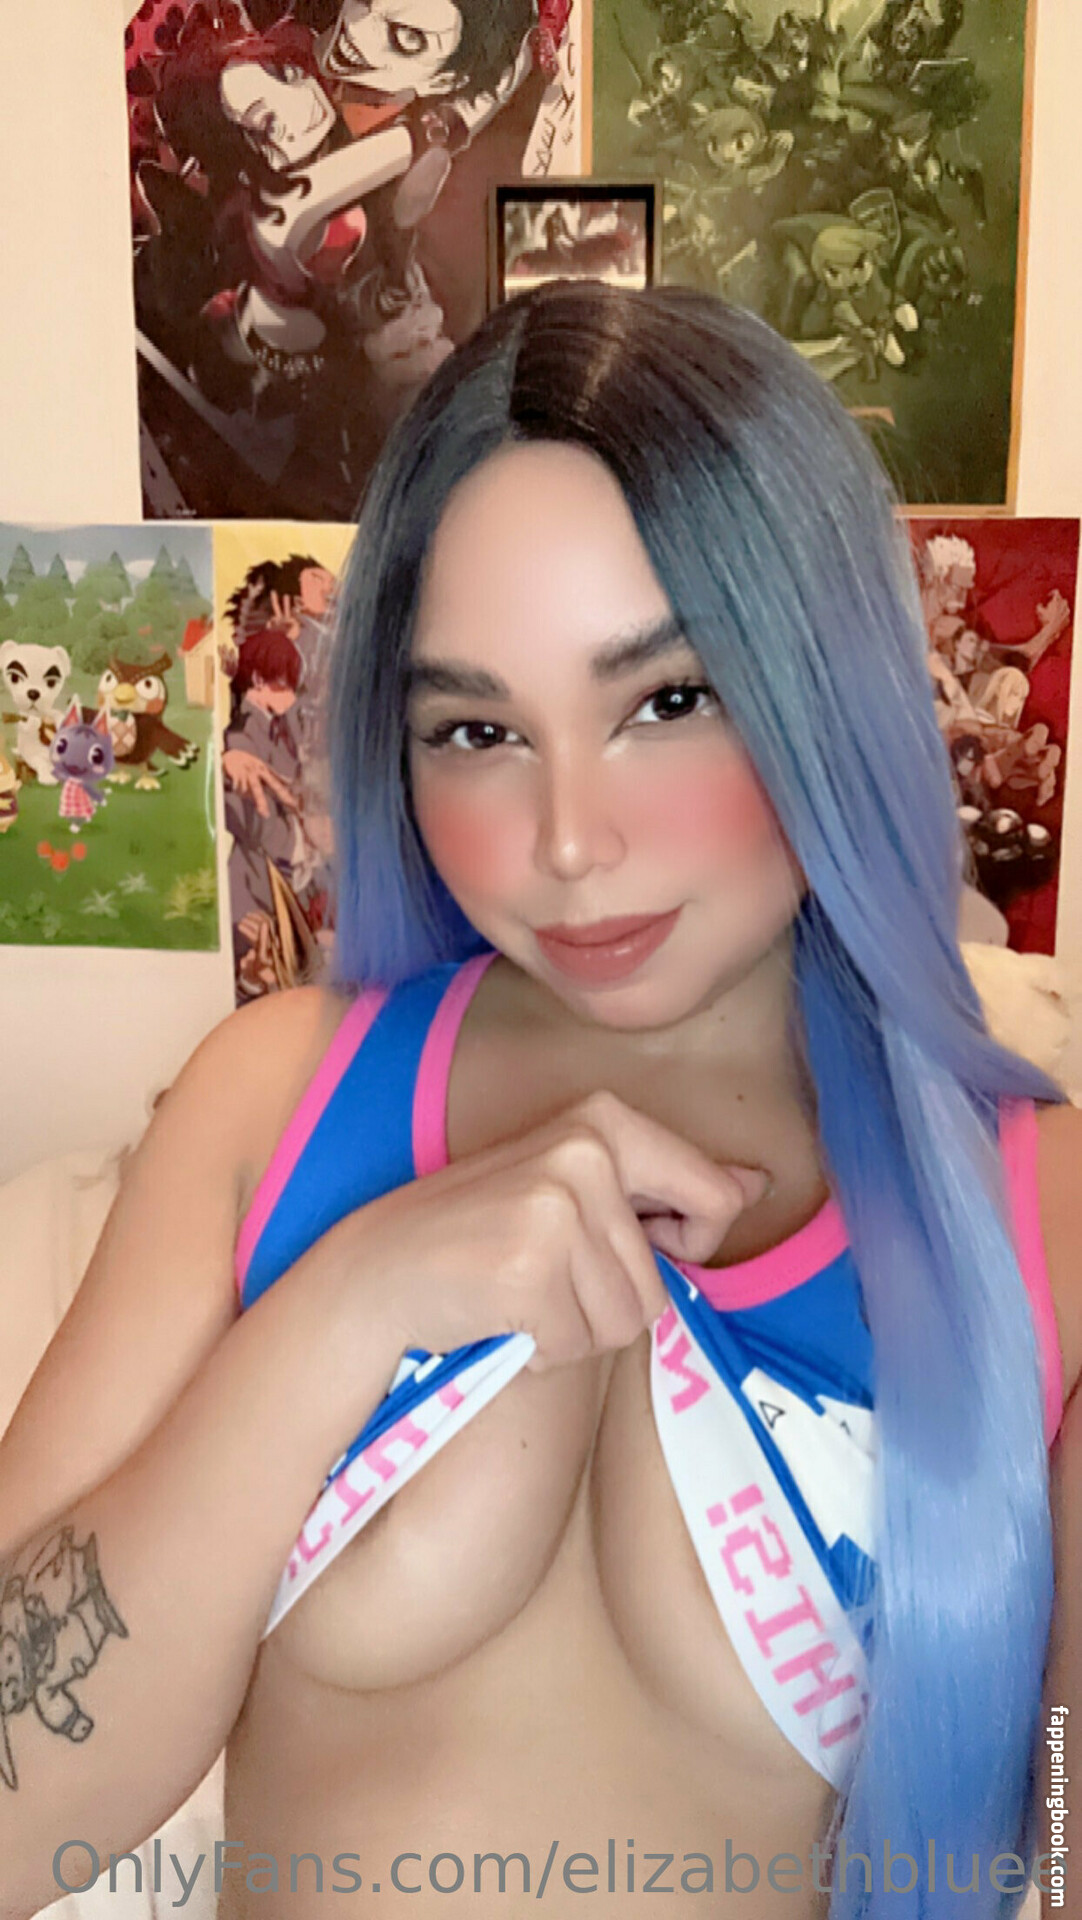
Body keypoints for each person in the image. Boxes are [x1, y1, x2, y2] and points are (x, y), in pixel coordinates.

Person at [1, 282, 1079, 1920]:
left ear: (822, 682)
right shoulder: (270, 1104)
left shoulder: (1039, 1215)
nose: (569, 841)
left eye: (666, 700)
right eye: (478, 728)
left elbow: (1061, 1839)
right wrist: (346, 1306)